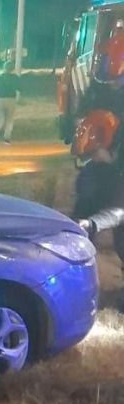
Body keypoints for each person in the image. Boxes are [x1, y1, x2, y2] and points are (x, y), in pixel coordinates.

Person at [73, 110, 124, 305]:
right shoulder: (92, 174)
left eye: (94, 153)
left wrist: (93, 223)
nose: (92, 160)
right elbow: (83, 207)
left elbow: (119, 209)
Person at [0, 61, 21, 145]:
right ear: (12, 69)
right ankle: (6, 138)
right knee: (9, 120)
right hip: (11, 99)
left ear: (4, 68)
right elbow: (19, 89)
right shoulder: (15, 78)